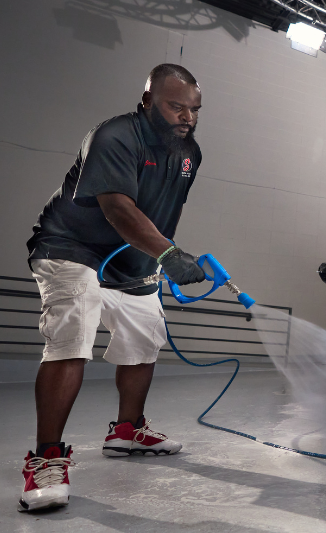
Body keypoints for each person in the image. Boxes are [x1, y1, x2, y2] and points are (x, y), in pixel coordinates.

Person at [19, 64, 208, 512]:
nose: (187, 117)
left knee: (145, 337)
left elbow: (164, 209)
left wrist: (156, 258)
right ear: (147, 101)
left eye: (195, 109)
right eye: (176, 106)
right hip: (72, 247)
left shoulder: (189, 152)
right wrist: (169, 254)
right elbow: (118, 208)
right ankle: (46, 458)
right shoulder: (114, 135)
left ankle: (127, 431)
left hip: (133, 259)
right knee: (73, 335)